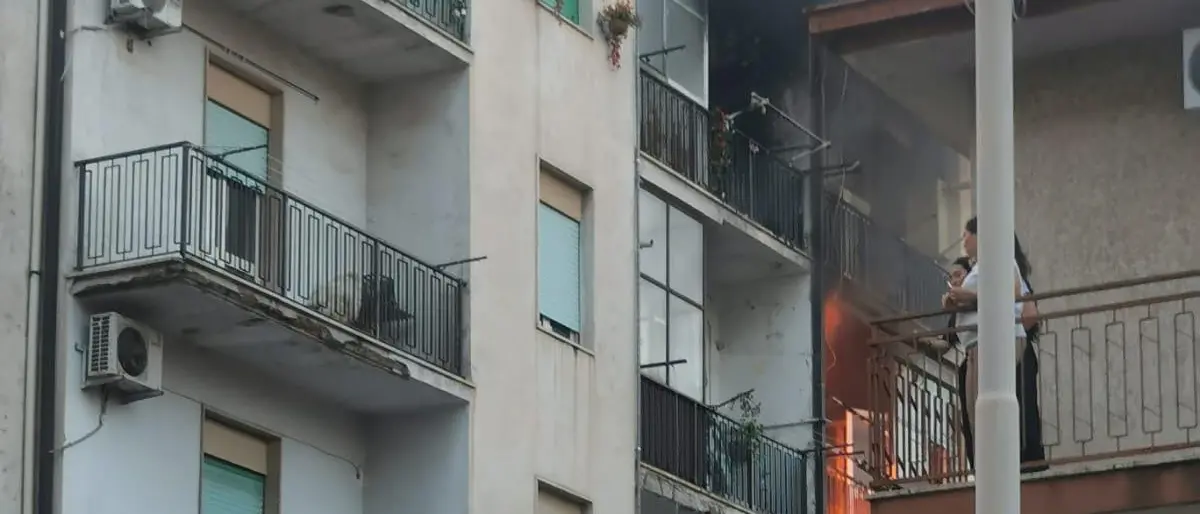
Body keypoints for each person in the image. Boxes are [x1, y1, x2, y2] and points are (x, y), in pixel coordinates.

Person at [943, 217, 1047, 472]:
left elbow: (1020, 306)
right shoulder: (981, 268)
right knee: (979, 412)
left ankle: (1008, 464)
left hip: (996, 345)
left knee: (1002, 410)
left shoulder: (1002, 263)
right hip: (981, 346)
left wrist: (969, 297)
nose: (963, 240)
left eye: (967, 234)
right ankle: (989, 465)